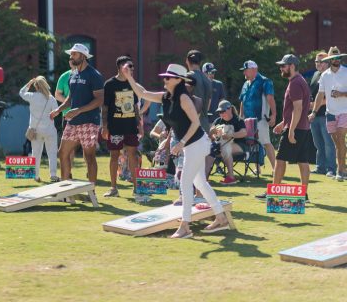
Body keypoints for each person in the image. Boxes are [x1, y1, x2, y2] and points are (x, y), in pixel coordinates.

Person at [122, 63, 229, 238]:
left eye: (168, 77)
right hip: (191, 145)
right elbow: (142, 93)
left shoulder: (184, 99)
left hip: (197, 143)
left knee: (185, 183)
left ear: (179, 80)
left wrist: (181, 142)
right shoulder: (166, 97)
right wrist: (129, 77)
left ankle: (185, 226)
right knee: (200, 183)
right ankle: (221, 217)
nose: (165, 79)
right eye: (164, 77)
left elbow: (196, 123)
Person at [257, 54, 314, 201]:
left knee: (280, 159)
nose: (281, 68)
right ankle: (303, 194)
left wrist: (291, 130)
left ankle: (273, 192)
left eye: (284, 65)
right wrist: (284, 123)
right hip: (303, 128)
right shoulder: (299, 80)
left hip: (296, 128)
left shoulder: (295, 83)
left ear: (292, 66)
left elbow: (298, 108)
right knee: (303, 161)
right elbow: (296, 109)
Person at [50, 43, 104, 183]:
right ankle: (65, 189)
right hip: (72, 122)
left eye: (74, 53)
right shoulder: (72, 75)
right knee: (62, 153)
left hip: (89, 121)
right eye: (71, 54)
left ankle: (91, 191)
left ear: (83, 56)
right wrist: (58, 109)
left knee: (89, 156)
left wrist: (78, 110)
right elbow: (70, 98)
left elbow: (99, 99)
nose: (71, 56)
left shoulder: (94, 75)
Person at [102, 56, 141, 197]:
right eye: (129, 66)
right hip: (115, 126)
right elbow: (105, 107)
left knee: (133, 156)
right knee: (114, 156)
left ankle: (137, 188)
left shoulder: (132, 83)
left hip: (130, 126)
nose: (132, 69)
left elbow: (136, 107)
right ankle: (113, 188)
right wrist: (104, 126)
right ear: (120, 67)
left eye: (132, 66)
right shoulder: (109, 84)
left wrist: (139, 124)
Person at [310, 46, 347, 181]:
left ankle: (340, 170)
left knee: (341, 137)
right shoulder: (324, 75)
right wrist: (314, 112)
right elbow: (320, 95)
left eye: (338, 57)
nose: (336, 60)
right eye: (334, 58)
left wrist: (341, 94)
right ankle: (342, 167)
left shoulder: (346, 72)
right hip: (330, 113)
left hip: (345, 112)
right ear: (330, 60)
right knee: (337, 142)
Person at [19, 76, 59, 182]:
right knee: (52, 153)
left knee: (35, 153)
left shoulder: (32, 96)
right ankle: (53, 174)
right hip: (49, 130)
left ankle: (36, 176)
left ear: (36, 86)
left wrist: (29, 82)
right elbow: (56, 112)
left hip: (36, 130)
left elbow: (21, 92)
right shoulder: (51, 99)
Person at [239, 60, 277, 169]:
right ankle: (257, 169)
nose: (244, 73)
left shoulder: (265, 81)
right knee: (252, 143)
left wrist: (273, 115)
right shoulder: (246, 83)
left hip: (260, 118)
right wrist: (240, 116)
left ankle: (275, 168)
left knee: (265, 142)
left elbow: (270, 98)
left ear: (253, 69)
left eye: (246, 70)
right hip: (247, 120)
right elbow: (242, 100)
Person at [306, 52, 336, 176]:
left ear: (328, 62)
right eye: (316, 61)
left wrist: (315, 105)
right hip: (314, 115)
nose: (318, 64)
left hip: (327, 114)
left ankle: (331, 169)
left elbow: (332, 96)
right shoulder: (315, 75)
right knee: (318, 143)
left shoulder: (330, 75)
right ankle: (320, 167)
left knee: (328, 143)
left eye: (321, 61)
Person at [209, 100, 247, 185]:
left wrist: (231, 135)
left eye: (223, 111)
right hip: (220, 145)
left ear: (229, 109)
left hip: (240, 145)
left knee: (225, 148)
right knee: (208, 148)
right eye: (219, 112)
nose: (221, 114)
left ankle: (231, 177)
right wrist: (212, 133)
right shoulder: (218, 121)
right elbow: (211, 137)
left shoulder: (238, 120)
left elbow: (244, 133)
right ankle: (204, 176)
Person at [55, 60, 77, 176]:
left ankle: (89, 171)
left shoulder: (86, 75)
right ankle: (69, 171)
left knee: (86, 146)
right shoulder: (64, 76)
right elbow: (57, 94)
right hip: (67, 115)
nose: (72, 61)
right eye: (70, 59)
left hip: (84, 115)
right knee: (68, 146)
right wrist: (68, 103)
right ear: (69, 63)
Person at [185, 50, 212, 131]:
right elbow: (208, 107)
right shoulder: (208, 80)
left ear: (187, 60)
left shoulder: (188, 76)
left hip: (190, 125)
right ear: (200, 62)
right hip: (204, 125)